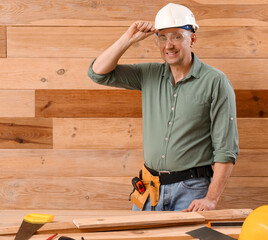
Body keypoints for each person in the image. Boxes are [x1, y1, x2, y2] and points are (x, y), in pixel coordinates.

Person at [88, 3, 239, 212]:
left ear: (192, 39)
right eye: (162, 37)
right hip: (149, 189)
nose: (169, 45)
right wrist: (128, 38)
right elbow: (98, 73)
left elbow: (226, 150)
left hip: (193, 191)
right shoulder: (148, 75)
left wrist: (211, 199)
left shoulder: (215, 82)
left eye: (177, 36)